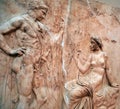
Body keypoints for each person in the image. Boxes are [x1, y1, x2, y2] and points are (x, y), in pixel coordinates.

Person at [0, 0, 48, 109]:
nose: (44, 16)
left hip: (36, 65)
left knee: (42, 98)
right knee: (25, 99)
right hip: (25, 64)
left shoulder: (38, 25)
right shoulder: (20, 20)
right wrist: (10, 50)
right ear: (35, 9)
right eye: (43, 12)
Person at [63, 37, 119, 109]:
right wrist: (77, 60)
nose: (90, 45)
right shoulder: (91, 55)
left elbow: (108, 70)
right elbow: (83, 70)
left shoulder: (104, 55)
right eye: (91, 42)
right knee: (68, 86)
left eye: (92, 42)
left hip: (95, 82)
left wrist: (112, 83)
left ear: (97, 43)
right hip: (88, 78)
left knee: (74, 94)